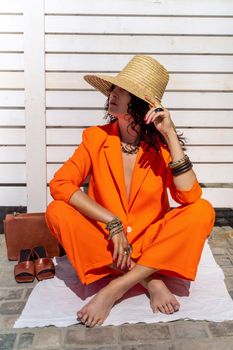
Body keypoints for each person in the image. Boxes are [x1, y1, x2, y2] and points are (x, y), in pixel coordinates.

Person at [45, 55, 215, 328]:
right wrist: (111, 221)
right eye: (114, 89)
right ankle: (150, 278)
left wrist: (170, 135)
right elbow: (60, 184)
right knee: (57, 210)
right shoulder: (95, 138)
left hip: (150, 241)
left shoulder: (160, 148)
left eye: (124, 91)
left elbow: (190, 197)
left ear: (140, 104)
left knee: (203, 211)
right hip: (109, 242)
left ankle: (115, 288)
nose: (113, 94)